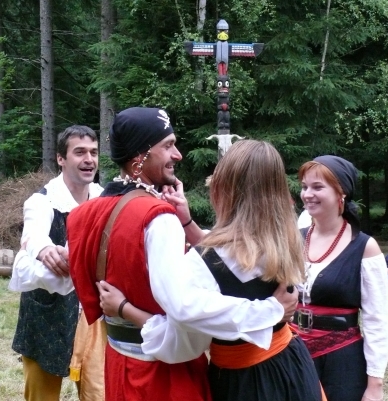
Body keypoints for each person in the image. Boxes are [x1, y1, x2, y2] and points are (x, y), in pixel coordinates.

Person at [66, 108, 300, 401]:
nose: (177, 155)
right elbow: (186, 320)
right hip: (164, 375)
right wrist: (270, 311)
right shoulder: (157, 217)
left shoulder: (83, 214)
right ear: (140, 157)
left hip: (117, 364)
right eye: (168, 146)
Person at [9, 125, 105, 401]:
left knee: (99, 394)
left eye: (93, 152)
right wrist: (43, 248)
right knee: (42, 397)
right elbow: (33, 233)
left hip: (92, 318)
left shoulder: (103, 198)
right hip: (46, 317)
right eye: (80, 152)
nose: (89, 159)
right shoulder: (42, 201)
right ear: (61, 158)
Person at [294, 155, 388, 401]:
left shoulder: (364, 247)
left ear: (341, 193)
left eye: (317, 187)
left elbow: (376, 320)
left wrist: (375, 385)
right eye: (304, 187)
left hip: (341, 361)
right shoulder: (293, 239)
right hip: (292, 354)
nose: (307, 194)